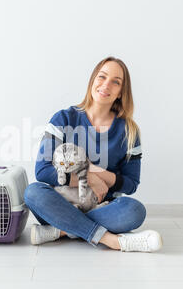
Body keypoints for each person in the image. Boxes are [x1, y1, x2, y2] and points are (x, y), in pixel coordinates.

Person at [23, 56, 163, 252]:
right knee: (33, 192)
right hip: (62, 203)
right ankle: (111, 240)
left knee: (135, 211)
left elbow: (131, 184)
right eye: (102, 77)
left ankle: (62, 230)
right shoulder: (63, 118)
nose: (106, 85)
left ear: (121, 92)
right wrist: (88, 178)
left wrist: (101, 177)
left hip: (102, 206)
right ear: (92, 81)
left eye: (116, 82)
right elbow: (43, 171)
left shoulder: (129, 131)